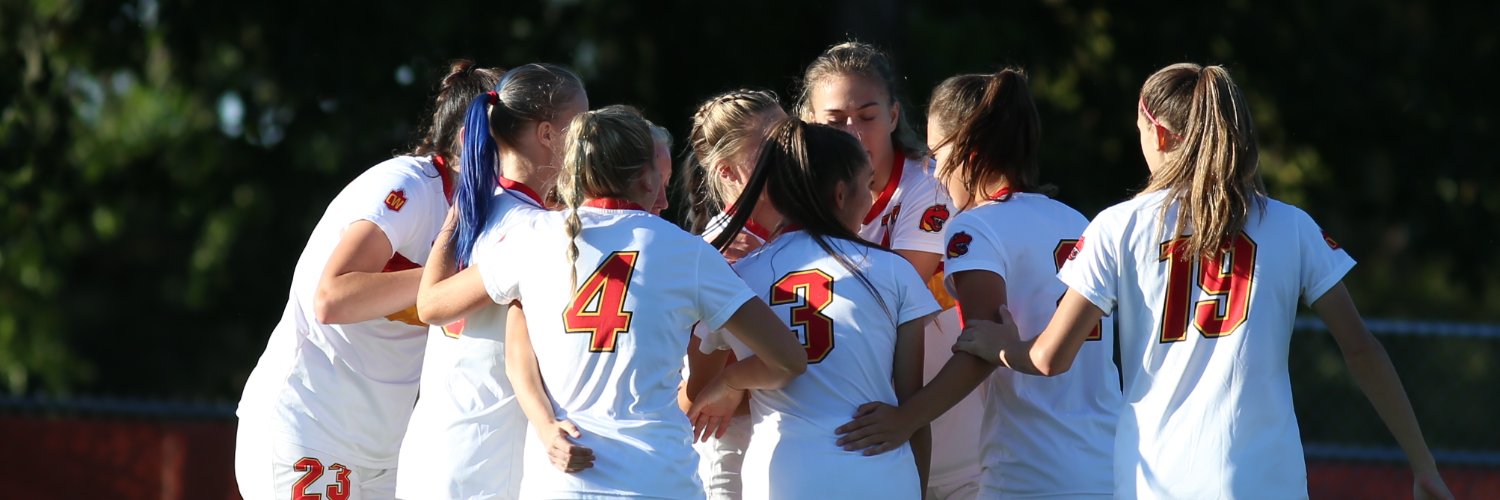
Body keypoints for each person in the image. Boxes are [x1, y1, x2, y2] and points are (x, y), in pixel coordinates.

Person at [955, 63, 1455, 500]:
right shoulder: (1291, 226)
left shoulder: (1119, 226)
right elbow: (1362, 350)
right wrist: (1423, 465)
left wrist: (1001, 346)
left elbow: (1049, 357)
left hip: (1157, 482)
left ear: (1161, 135)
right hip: (1267, 481)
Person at [475, 105, 807, 499]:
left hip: (560, 483)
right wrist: (730, 381)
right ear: (646, 177)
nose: (664, 199)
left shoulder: (533, 236)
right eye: (661, 179)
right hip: (658, 479)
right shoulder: (687, 252)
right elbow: (789, 360)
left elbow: (451, 316)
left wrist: (546, 426)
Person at [835, 69, 1120, 499]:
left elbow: (981, 349)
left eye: (935, 155)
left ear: (965, 151)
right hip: (1106, 460)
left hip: (1031, 468)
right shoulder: (1075, 219)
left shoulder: (975, 227)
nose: (932, 172)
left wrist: (905, 419)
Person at [234, 60, 499, 500]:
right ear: (469, 140)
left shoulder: (490, 210)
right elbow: (331, 296)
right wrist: (447, 281)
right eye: (514, 129)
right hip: (309, 429)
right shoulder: (409, 186)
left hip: (386, 451)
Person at [696, 118, 937, 500]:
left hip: (780, 478)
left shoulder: (737, 278)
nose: (870, 199)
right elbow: (914, 411)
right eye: (867, 185)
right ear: (841, 194)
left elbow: (695, 396)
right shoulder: (893, 271)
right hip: (879, 474)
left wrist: (731, 382)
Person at [796, 40, 977, 499]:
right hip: (850, 435)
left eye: (867, 116)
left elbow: (886, 301)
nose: (853, 132)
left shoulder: (928, 185)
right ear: (809, 122)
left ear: (894, 115)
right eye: (835, 120)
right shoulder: (792, 198)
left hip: (947, 433)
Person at [398, 62, 587, 500]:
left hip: (435, 452)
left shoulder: (480, 206)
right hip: (480, 463)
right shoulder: (532, 229)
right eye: (580, 125)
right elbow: (431, 305)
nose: (589, 139)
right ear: (547, 134)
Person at [675, 89, 787, 500]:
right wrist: (737, 384)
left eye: (791, 136)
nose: (792, 153)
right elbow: (698, 394)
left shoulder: (806, 229)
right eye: (773, 147)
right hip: (734, 452)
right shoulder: (716, 254)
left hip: (796, 445)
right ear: (727, 171)